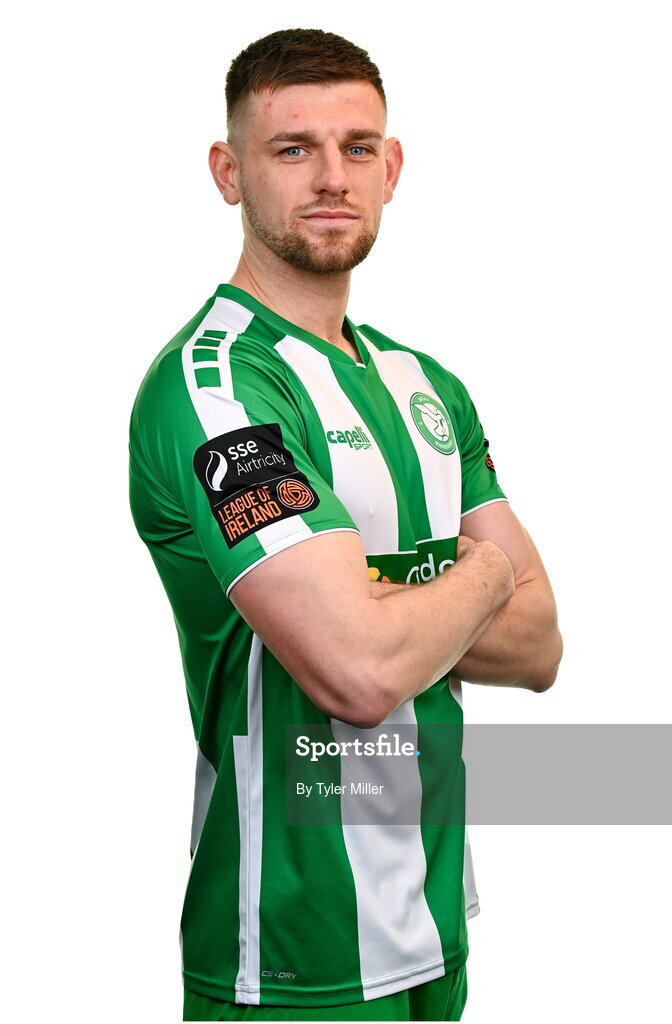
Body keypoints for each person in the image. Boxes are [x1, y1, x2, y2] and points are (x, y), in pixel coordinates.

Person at [128, 27, 562, 1023]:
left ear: (392, 167)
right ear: (227, 172)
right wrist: (483, 573)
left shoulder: (426, 382)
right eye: (293, 150)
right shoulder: (219, 385)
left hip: (436, 914)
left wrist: (383, 601)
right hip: (289, 951)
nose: (331, 176)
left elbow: (543, 646)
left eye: (357, 147)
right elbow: (357, 672)